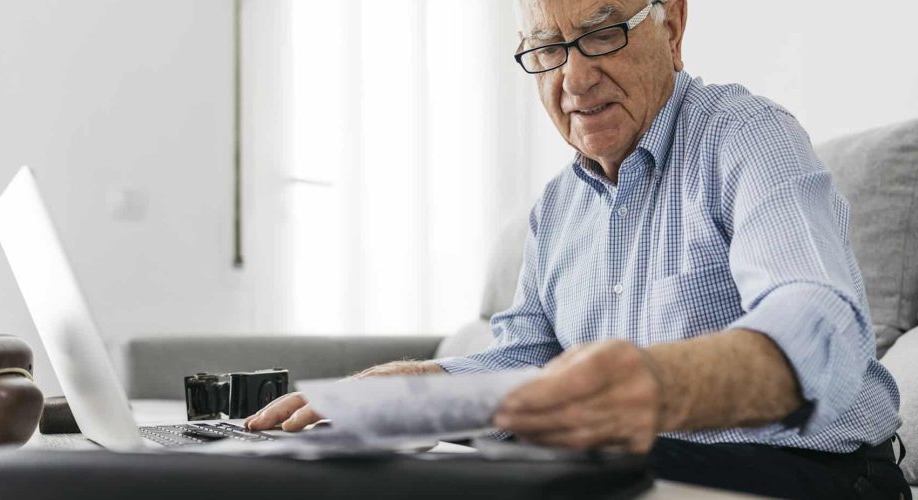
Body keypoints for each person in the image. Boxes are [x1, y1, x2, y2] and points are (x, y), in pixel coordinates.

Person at [246, 0, 911, 497]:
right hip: (652, 462)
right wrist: (421, 384)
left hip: (815, 474)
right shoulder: (557, 207)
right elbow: (525, 356)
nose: (574, 78)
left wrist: (660, 385)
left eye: (601, 34)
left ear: (671, 27)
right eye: (547, 48)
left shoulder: (745, 135)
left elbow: (822, 316)